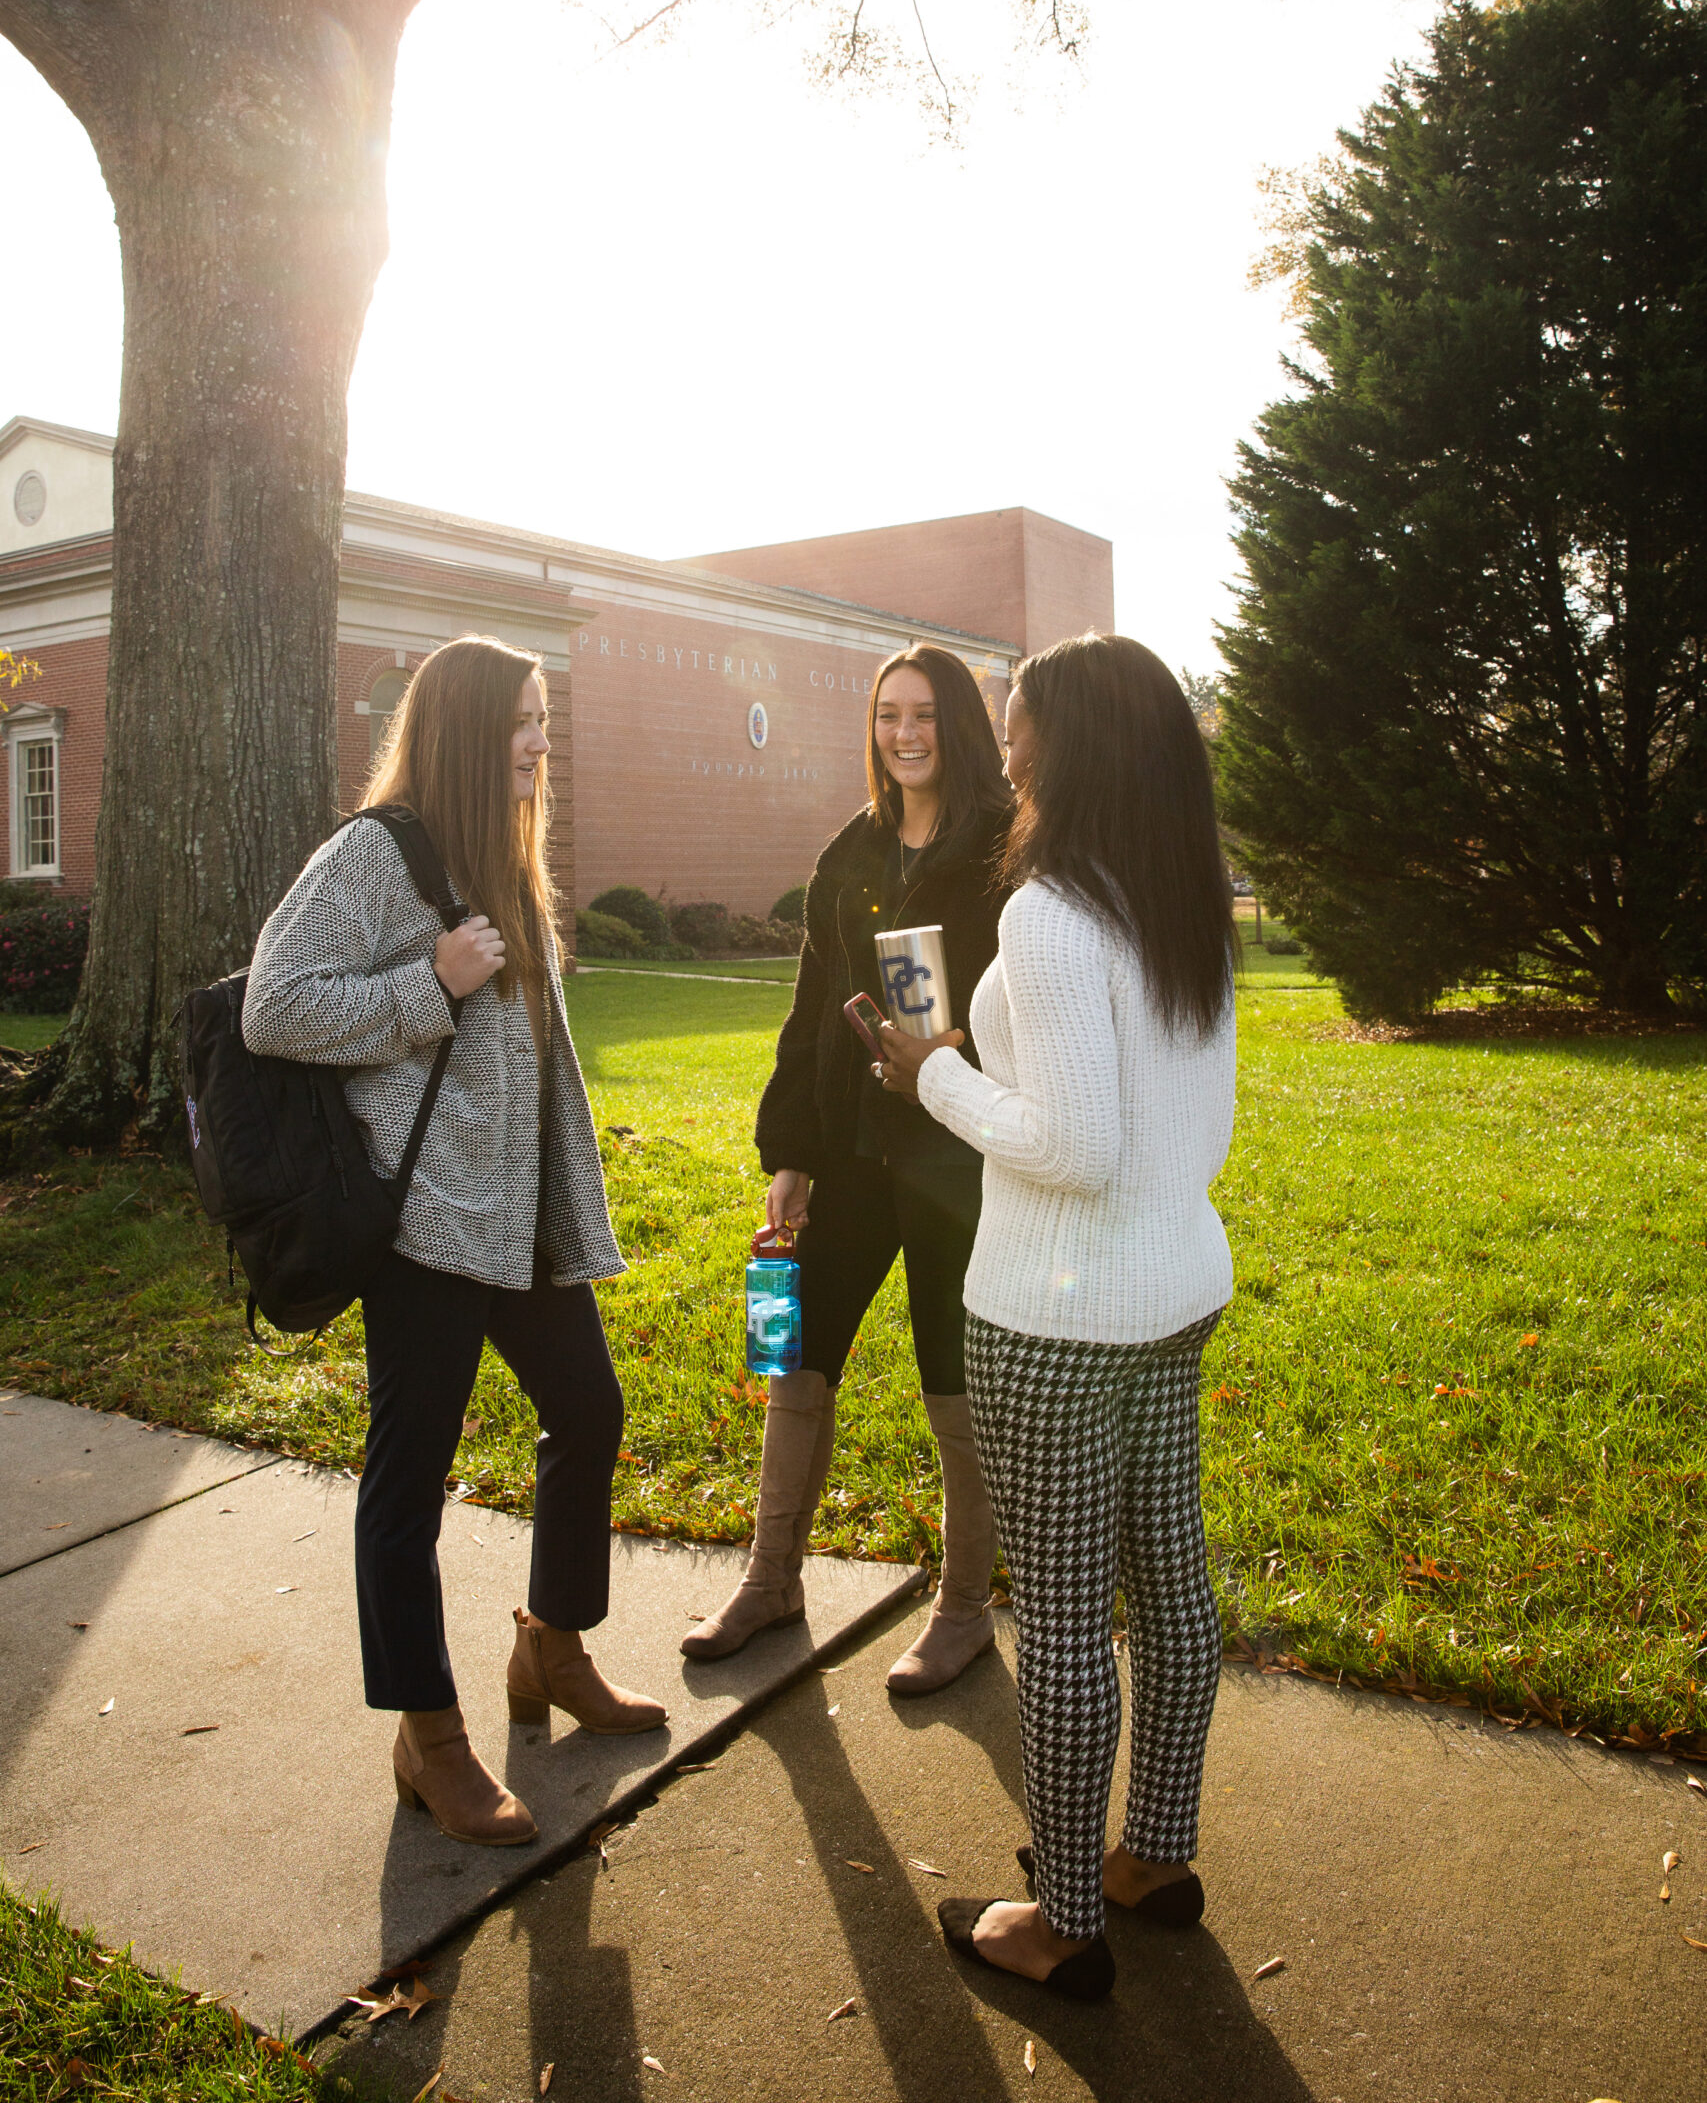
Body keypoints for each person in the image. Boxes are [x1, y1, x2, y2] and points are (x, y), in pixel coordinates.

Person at [244, 634, 664, 1848]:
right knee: (409, 1478)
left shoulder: (508, 858)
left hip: (519, 1215)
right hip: (423, 1219)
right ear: (468, 732)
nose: (543, 740)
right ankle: (429, 1737)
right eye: (524, 722)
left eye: (545, 719)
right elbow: (276, 1004)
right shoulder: (374, 854)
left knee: (588, 1411)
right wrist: (428, 979)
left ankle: (550, 1646)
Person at [879, 634, 1238, 2001]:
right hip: (1171, 1291)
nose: (1002, 742)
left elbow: (1073, 1147)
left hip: (1053, 1315)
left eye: (1016, 720)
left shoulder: (1048, 912)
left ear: (1067, 742)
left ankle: (1063, 1923)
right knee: (1174, 1588)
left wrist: (933, 1080)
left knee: (1069, 1622)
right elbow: (1165, 1122)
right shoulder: (1175, 896)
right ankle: (1150, 1857)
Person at [683, 644, 1012, 1693]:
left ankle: (963, 1607)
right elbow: (808, 1006)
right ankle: (771, 1576)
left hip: (956, 1156)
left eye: (922, 715)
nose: (903, 734)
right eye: (887, 716)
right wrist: (791, 1152)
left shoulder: (1007, 850)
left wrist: (964, 1064)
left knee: (952, 1381)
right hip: (850, 1154)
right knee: (795, 1351)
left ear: (959, 726)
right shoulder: (853, 852)